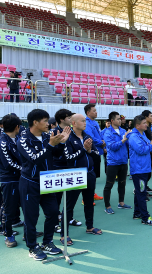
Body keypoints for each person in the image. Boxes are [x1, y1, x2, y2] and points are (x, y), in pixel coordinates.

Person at [17, 109, 69, 261]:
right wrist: (52, 145)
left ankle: (47, 242)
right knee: (31, 217)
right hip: (30, 182)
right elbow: (34, 159)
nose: (49, 124)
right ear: (35, 122)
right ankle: (32, 246)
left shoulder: (48, 136)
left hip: (48, 181)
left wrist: (61, 144)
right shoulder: (23, 139)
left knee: (53, 212)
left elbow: (57, 155)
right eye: (45, 121)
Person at [61, 114, 102, 246]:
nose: (85, 123)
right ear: (74, 123)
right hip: (75, 176)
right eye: (82, 121)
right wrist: (84, 150)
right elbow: (68, 158)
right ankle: (64, 234)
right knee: (69, 206)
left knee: (89, 202)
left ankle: (89, 227)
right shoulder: (68, 138)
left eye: (85, 121)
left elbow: (96, 154)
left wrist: (89, 151)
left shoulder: (87, 136)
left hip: (89, 174)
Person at [0, 114, 22, 247]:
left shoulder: (15, 139)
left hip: (18, 178)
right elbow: (8, 164)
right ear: (17, 127)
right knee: (8, 208)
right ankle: (7, 234)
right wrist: (25, 169)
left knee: (21, 205)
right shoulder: (3, 143)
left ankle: (28, 231)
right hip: (9, 180)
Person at [128, 115, 152, 224]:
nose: (147, 124)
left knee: (139, 192)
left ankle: (137, 213)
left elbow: (148, 146)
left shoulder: (141, 135)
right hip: (139, 169)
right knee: (141, 193)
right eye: (144, 123)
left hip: (144, 168)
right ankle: (145, 218)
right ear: (138, 125)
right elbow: (141, 150)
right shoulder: (133, 136)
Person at [52, 109, 80, 229]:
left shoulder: (73, 132)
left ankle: (68, 218)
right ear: (62, 119)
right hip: (57, 167)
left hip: (71, 167)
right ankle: (54, 222)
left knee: (70, 197)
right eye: (69, 117)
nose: (71, 119)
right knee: (56, 198)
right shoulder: (53, 132)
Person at [102, 111, 132, 214]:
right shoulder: (107, 132)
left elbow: (128, 145)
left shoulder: (123, 130)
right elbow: (112, 147)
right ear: (112, 120)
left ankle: (121, 203)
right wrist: (124, 140)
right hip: (113, 163)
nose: (121, 120)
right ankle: (107, 206)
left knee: (122, 183)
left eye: (121, 119)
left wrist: (129, 139)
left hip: (123, 161)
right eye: (118, 119)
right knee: (109, 185)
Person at [84, 104, 104, 200]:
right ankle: (86, 198)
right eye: (94, 111)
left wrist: (103, 143)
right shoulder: (87, 123)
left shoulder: (95, 122)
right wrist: (101, 142)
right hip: (91, 152)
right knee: (90, 175)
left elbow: (99, 135)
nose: (96, 112)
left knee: (94, 175)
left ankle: (92, 193)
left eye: (96, 110)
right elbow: (90, 138)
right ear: (88, 113)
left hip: (98, 151)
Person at [141, 110, 152, 193]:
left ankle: (145, 186)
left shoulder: (148, 127)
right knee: (145, 172)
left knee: (149, 171)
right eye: (150, 116)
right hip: (145, 151)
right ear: (146, 117)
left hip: (150, 151)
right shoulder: (143, 128)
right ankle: (139, 189)